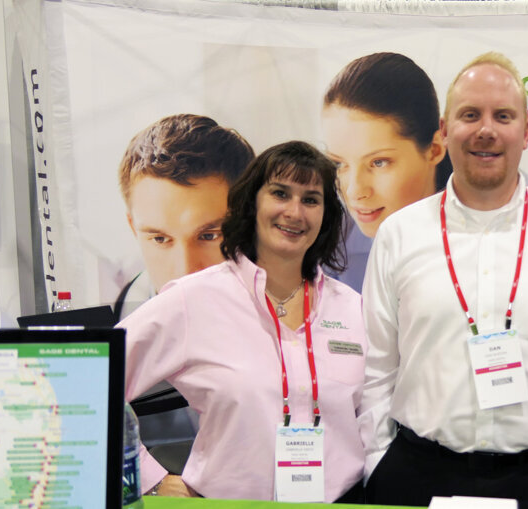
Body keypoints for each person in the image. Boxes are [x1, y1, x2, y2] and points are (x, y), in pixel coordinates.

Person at [359, 52, 528, 509]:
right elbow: (378, 366)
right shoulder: (400, 233)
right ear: (443, 129)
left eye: (503, 116)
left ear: (527, 131)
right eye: (470, 115)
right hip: (418, 475)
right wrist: (379, 460)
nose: (486, 130)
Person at [119, 141, 366, 502]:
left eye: (311, 199)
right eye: (280, 194)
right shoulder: (194, 300)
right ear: (251, 204)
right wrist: (148, 479)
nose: (295, 212)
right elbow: (89, 382)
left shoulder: (352, 308)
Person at [321, 52, 449, 292]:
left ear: (434, 149)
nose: (354, 191)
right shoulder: (329, 255)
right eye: (340, 164)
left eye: (379, 162)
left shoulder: (500, 228)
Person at [116, 113, 255, 321]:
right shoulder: (111, 323)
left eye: (209, 236)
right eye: (159, 239)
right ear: (133, 228)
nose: (186, 271)